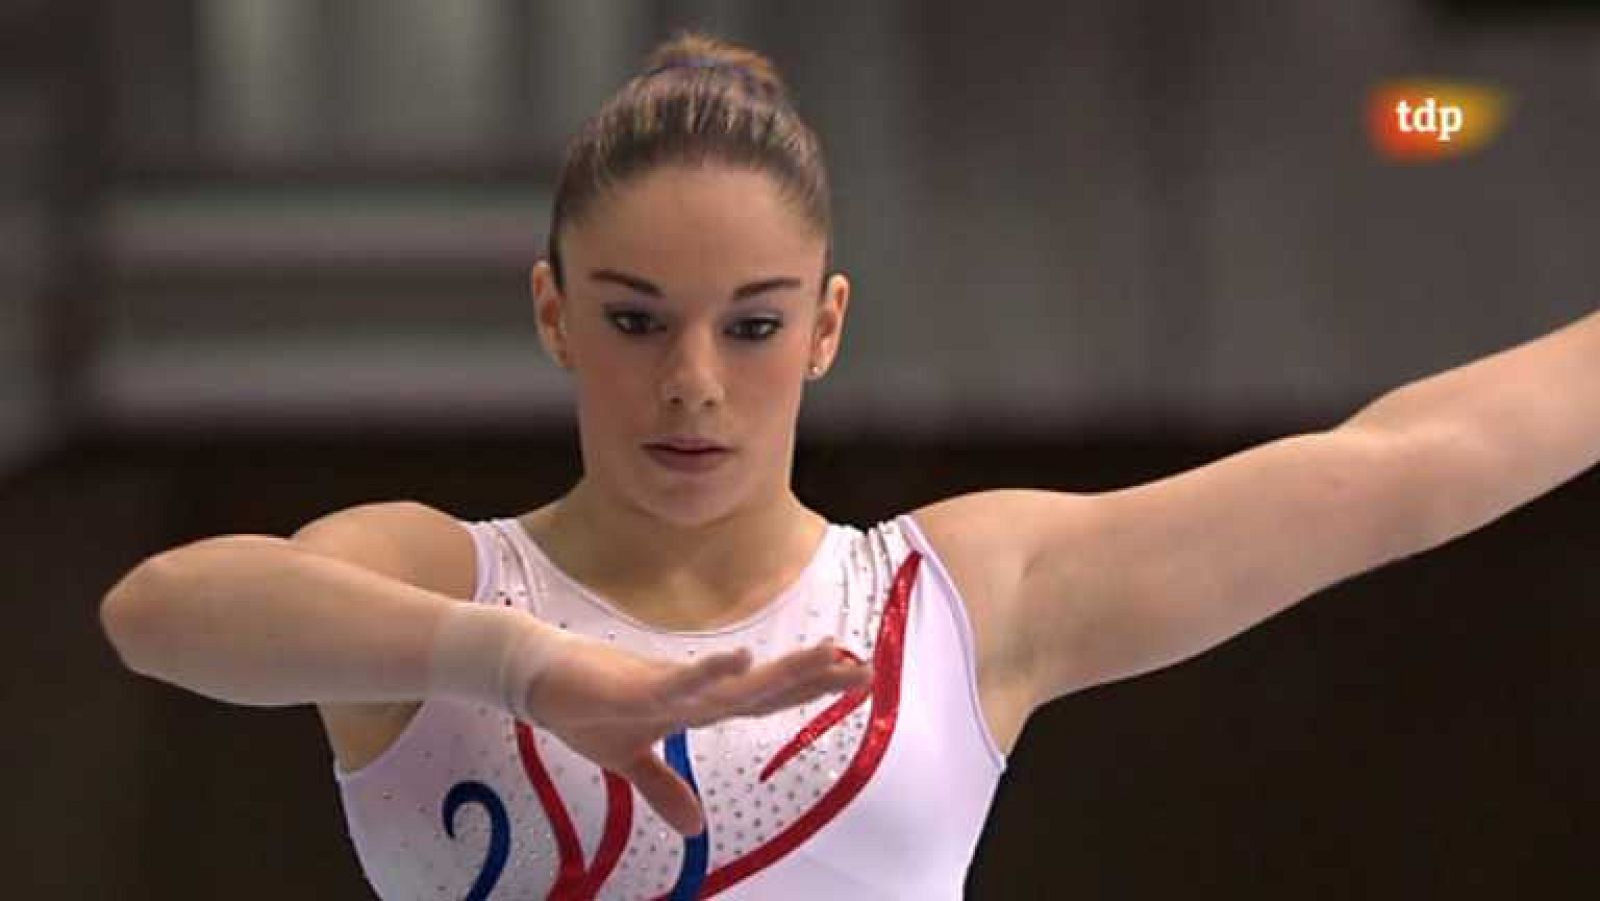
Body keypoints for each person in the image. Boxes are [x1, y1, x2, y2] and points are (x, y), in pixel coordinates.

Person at [99, 30, 1598, 901]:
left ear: (825, 327)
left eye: (750, 326)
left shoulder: (954, 605)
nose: (693, 380)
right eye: (636, 319)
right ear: (554, 310)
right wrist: (522, 667)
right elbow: (163, 610)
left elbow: (1403, 464)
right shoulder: (443, 584)